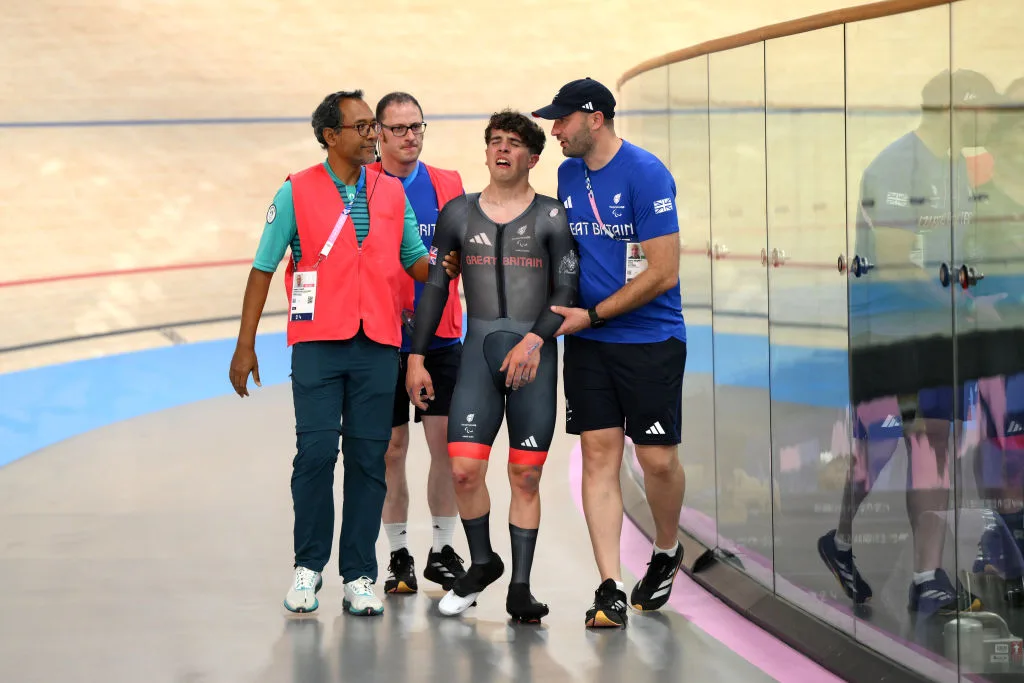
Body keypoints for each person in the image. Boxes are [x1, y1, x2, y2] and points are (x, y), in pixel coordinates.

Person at [227, 90, 458, 617]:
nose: (373, 134)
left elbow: (414, 261)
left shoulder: (389, 190)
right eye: (362, 126)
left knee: (367, 461)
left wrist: (453, 263)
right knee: (314, 456)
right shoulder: (296, 191)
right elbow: (263, 268)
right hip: (316, 346)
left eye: (374, 126)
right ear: (331, 136)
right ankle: (308, 568)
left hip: (377, 345)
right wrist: (245, 346)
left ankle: (359, 575)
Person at [817, 69, 999, 616]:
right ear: (955, 109)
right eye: (984, 110)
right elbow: (897, 260)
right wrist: (969, 304)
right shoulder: (894, 164)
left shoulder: (960, 172)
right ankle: (841, 541)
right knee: (879, 448)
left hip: (936, 334)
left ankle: (927, 576)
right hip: (886, 333)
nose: (990, 120)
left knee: (934, 445)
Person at [405, 109, 579, 622]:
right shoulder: (458, 213)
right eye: (495, 142)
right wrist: (417, 358)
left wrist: (534, 341)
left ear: (533, 157)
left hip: (534, 359)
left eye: (514, 143)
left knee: (525, 478)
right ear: (486, 152)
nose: (502, 150)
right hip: (477, 352)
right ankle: (483, 562)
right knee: (463, 470)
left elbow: (567, 290)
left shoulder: (552, 217)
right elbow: (435, 288)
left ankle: (520, 589)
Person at [531, 78, 687, 629]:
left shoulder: (647, 174)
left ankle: (667, 550)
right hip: (589, 345)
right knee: (600, 456)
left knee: (656, 460)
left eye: (562, 120)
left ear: (594, 119)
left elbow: (665, 272)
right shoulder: (568, 173)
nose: (554, 130)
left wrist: (595, 314)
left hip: (649, 341)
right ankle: (610, 587)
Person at [366, 91, 468, 595]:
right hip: (386, 337)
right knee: (391, 449)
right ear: (378, 135)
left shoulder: (448, 183)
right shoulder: (365, 187)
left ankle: (442, 549)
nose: (411, 136)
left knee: (445, 448)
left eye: (417, 126)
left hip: (444, 337)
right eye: (399, 128)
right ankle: (399, 554)